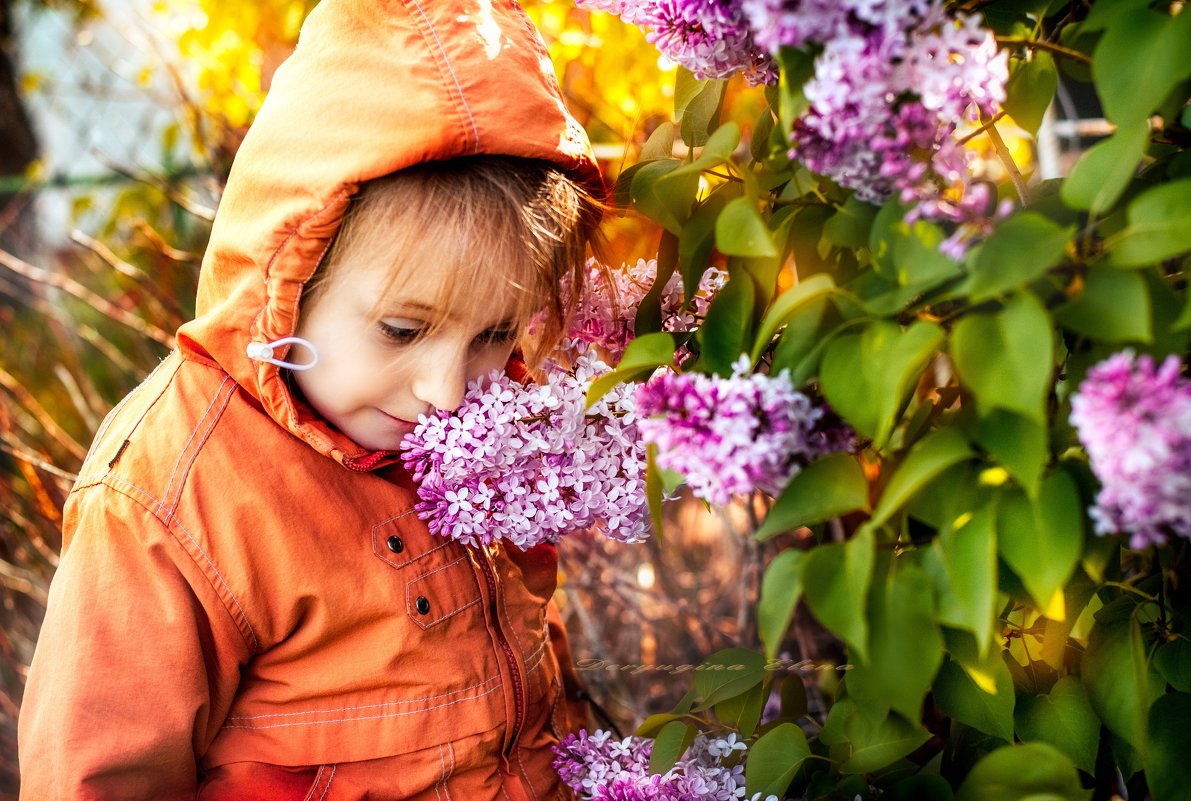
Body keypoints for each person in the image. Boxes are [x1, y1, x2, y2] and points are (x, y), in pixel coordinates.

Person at [17, 1, 605, 798]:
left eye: (493, 332)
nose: (444, 391)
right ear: (289, 282)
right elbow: (98, 779)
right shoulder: (173, 497)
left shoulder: (489, 410)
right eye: (401, 329)